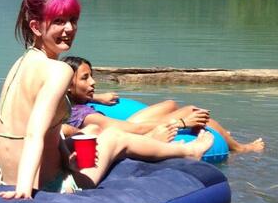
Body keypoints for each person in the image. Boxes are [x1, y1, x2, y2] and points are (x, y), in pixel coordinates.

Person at [0, 0, 214, 199]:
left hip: (1, 178)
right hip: (44, 186)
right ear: (35, 27)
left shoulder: (20, 64)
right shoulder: (59, 70)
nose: (69, 29)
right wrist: (23, 190)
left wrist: (64, 154)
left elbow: (25, 127)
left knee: (89, 133)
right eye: (59, 21)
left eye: (73, 20)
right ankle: (187, 151)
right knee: (115, 137)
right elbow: (33, 133)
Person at [63, 56, 265, 153]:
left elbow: (75, 98)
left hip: (116, 121)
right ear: (68, 86)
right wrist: (181, 122)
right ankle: (240, 147)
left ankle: (224, 135)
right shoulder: (85, 117)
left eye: (92, 76)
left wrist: (96, 98)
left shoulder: (69, 101)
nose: (93, 82)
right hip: (131, 134)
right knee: (192, 112)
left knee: (170, 103)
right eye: (85, 78)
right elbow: (134, 130)